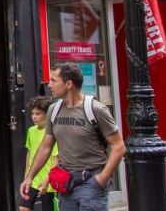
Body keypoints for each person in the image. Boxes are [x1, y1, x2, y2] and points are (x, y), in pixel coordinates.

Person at [20, 63, 126, 211]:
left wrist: (102, 178)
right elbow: (45, 147)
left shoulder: (95, 109)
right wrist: (30, 177)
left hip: (91, 182)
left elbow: (119, 146)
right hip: (66, 182)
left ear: (69, 84)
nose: (49, 84)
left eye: (54, 80)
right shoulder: (53, 110)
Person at [20, 96, 59, 211]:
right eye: (32, 114)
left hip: (49, 180)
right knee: (23, 207)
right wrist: (26, 177)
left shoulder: (52, 132)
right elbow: (29, 154)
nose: (34, 117)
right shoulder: (31, 131)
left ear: (47, 114)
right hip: (33, 179)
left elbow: (56, 159)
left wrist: (48, 179)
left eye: (38, 114)